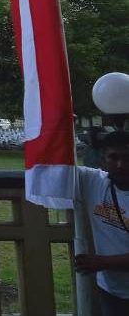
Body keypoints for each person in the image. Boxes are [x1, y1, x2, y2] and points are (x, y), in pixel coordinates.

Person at [72, 130, 129, 314]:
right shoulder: (94, 182)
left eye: (127, 157)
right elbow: (56, 169)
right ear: (103, 160)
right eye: (113, 157)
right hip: (110, 291)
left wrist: (102, 263)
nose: (121, 165)